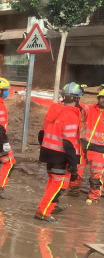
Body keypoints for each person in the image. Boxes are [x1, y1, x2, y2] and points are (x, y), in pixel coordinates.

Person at [35, 82, 83, 221]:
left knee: (54, 183)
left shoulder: (53, 110)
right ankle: (43, 212)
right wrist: (74, 165)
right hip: (61, 156)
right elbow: (68, 143)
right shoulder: (72, 115)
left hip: (49, 154)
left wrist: (46, 150)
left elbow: (41, 134)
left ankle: (51, 206)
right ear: (76, 99)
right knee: (57, 184)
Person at [81, 88, 104, 204]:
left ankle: (93, 198)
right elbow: (78, 105)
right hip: (84, 147)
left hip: (99, 151)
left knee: (96, 177)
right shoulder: (90, 109)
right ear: (98, 98)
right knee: (76, 172)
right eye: (102, 98)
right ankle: (73, 191)